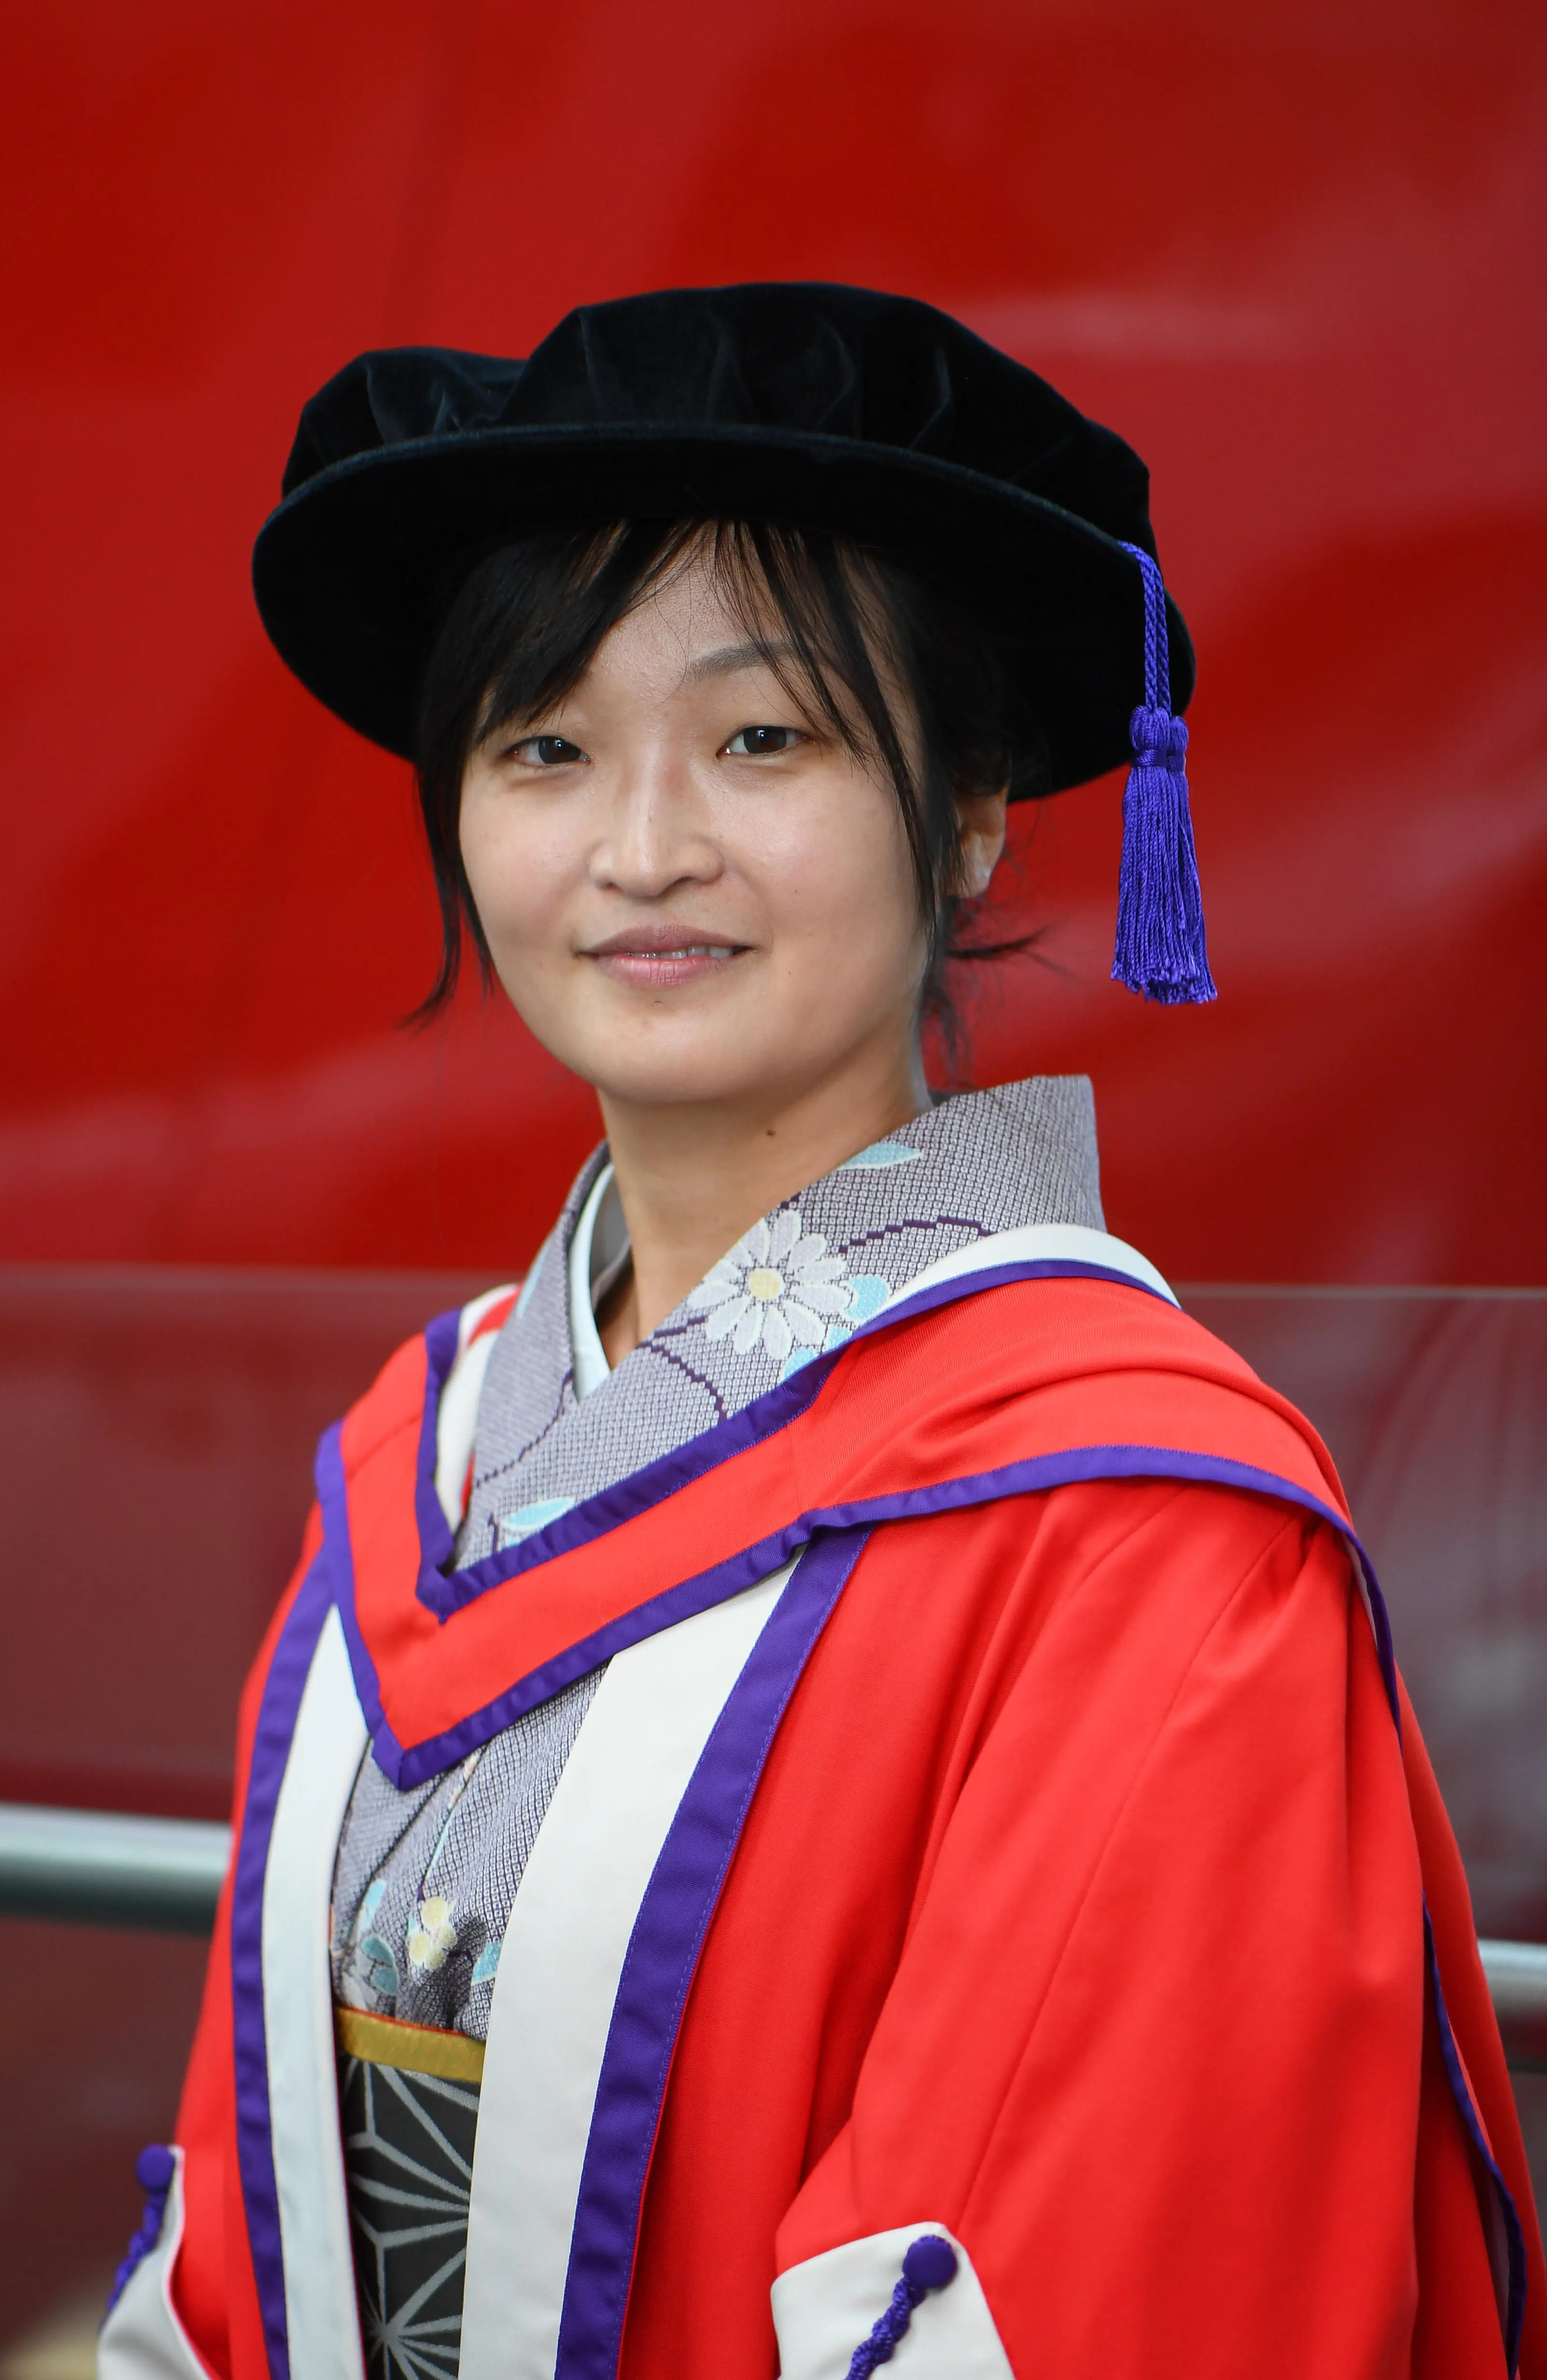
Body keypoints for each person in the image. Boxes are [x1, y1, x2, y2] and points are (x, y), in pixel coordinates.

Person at [98, 284, 1544, 2380]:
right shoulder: (411, 1461)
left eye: (762, 736)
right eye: (545, 744)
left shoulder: (1141, 1542)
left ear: (965, 816)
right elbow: (238, 2253)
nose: (642, 844)